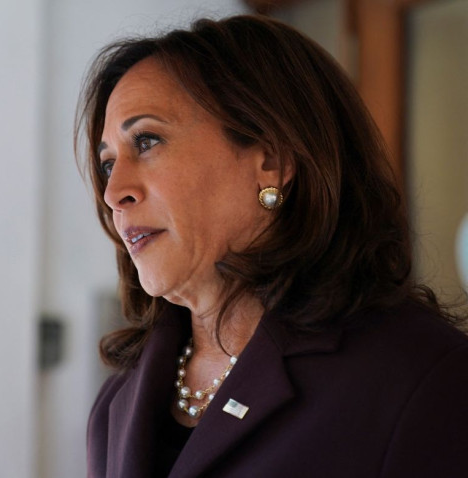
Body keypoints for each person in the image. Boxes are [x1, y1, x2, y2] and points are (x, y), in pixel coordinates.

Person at [75, 15, 468, 478]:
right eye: (106, 164)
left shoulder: (423, 380)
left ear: (272, 161)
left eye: (147, 140)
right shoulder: (117, 400)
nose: (113, 190)